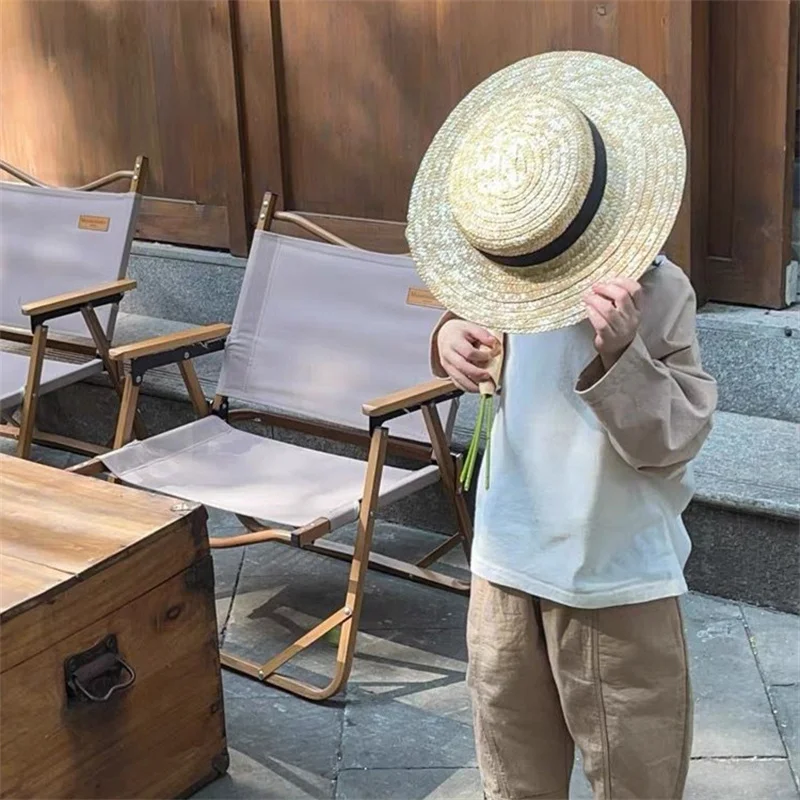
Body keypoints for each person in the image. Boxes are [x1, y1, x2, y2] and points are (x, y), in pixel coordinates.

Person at [405, 52, 718, 799]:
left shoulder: (658, 290)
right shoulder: (506, 279)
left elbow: (675, 439)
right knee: (512, 765)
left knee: (636, 770)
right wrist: (448, 339)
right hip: (508, 560)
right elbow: (479, 342)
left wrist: (623, 352)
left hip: (616, 575)